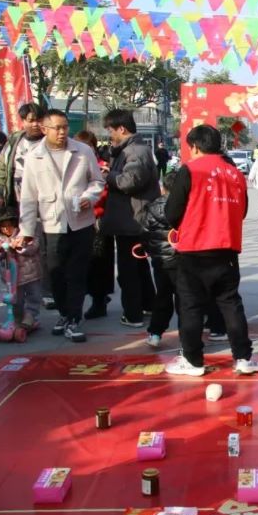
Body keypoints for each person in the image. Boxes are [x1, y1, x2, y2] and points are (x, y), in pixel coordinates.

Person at [163, 125, 258, 376]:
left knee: (191, 306)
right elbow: (241, 211)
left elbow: (172, 213)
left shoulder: (190, 170)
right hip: (226, 248)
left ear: (196, 147)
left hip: (194, 248)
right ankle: (243, 358)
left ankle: (193, 360)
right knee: (230, 305)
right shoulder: (235, 173)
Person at [18, 109, 104, 344]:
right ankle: (64, 314)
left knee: (77, 273)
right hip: (52, 223)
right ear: (44, 129)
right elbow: (28, 197)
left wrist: (89, 197)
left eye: (65, 127)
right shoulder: (34, 156)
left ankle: (73, 318)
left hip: (81, 222)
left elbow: (97, 181)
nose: (62, 132)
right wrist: (26, 231)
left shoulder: (83, 151)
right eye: (57, 128)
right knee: (55, 275)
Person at [99, 109, 159, 328]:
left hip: (133, 220)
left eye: (111, 130)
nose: (110, 135)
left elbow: (129, 181)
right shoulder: (132, 149)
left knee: (128, 270)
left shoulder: (136, 151)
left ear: (121, 129)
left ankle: (133, 314)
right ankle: (148, 305)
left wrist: (108, 176)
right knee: (139, 266)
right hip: (130, 218)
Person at [0, 102, 53, 309]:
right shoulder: (14, 141)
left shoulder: (50, 140)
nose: (35, 124)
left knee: (43, 247)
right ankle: (20, 290)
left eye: (39, 120)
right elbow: (1, 168)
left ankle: (46, 291)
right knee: (20, 247)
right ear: (23, 121)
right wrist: (0, 192)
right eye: (31, 120)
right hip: (17, 203)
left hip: (45, 203)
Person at [75, 130, 115, 320]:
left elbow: (103, 195)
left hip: (98, 221)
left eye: (89, 146)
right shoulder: (73, 166)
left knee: (99, 264)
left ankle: (99, 300)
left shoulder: (102, 168)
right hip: (77, 220)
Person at [0, 208, 42, 332]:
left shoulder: (25, 233)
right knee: (15, 299)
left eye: (9, 226)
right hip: (12, 276)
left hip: (30, 272)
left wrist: (21, 246)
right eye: (3, 227)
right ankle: (17, 318)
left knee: (34, 295)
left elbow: (33, 247)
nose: (6, 229)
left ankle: (30, 315)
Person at [142, 173, 177, 348]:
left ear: (163, 188)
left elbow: (144, 233)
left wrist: (152, 251)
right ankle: (189, 336)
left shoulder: (152, 207)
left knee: (162, 296)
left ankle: (155, 333)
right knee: (185, 300)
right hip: (181, 258)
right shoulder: (185, 205)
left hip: (160, 260)